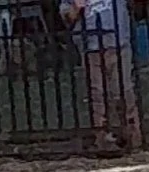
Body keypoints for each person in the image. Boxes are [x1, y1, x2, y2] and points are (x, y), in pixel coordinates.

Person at [60, 0, 143, 150]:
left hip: (117, 41)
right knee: (97, 92)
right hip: (90, 44)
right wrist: (76, 8)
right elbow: (67, 17)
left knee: (123, 89)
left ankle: (131, 133)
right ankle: (102, 135)